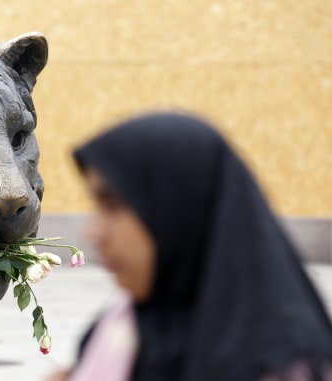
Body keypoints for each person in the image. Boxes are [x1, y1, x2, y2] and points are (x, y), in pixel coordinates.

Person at [46, 112, 332, 381]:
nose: (93, 232)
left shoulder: (278, 362)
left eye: (113, 206)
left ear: (178, 210)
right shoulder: (124, 328)